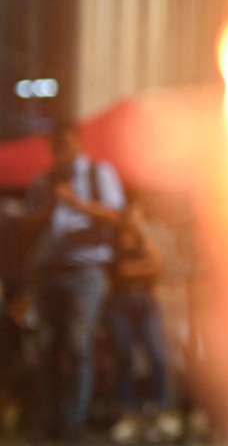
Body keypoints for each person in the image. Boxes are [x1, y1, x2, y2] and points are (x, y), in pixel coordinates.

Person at [25, 123, 125, 441]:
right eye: (55, 147)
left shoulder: (99, 175)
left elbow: (116, 216)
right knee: (46, 347)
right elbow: (27, 225)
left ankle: (73, 423)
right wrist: (48, 209)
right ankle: (48, 422)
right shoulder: (44, 182)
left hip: (86, 272)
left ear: (77, 144)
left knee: (78, 345)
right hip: (48, 271)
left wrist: (77, 205)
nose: (60, 153)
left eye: (65, 145)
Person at [106, 203, 178, 444]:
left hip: (147, 303)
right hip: (121, 304)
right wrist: (142, 269)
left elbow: (157, 266)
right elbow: (121, 272)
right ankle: (127, 413)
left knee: (158, 356)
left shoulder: (144, 241)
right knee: (125, 356)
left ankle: (160, 411)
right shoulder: (112, 242)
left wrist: (142, 259)